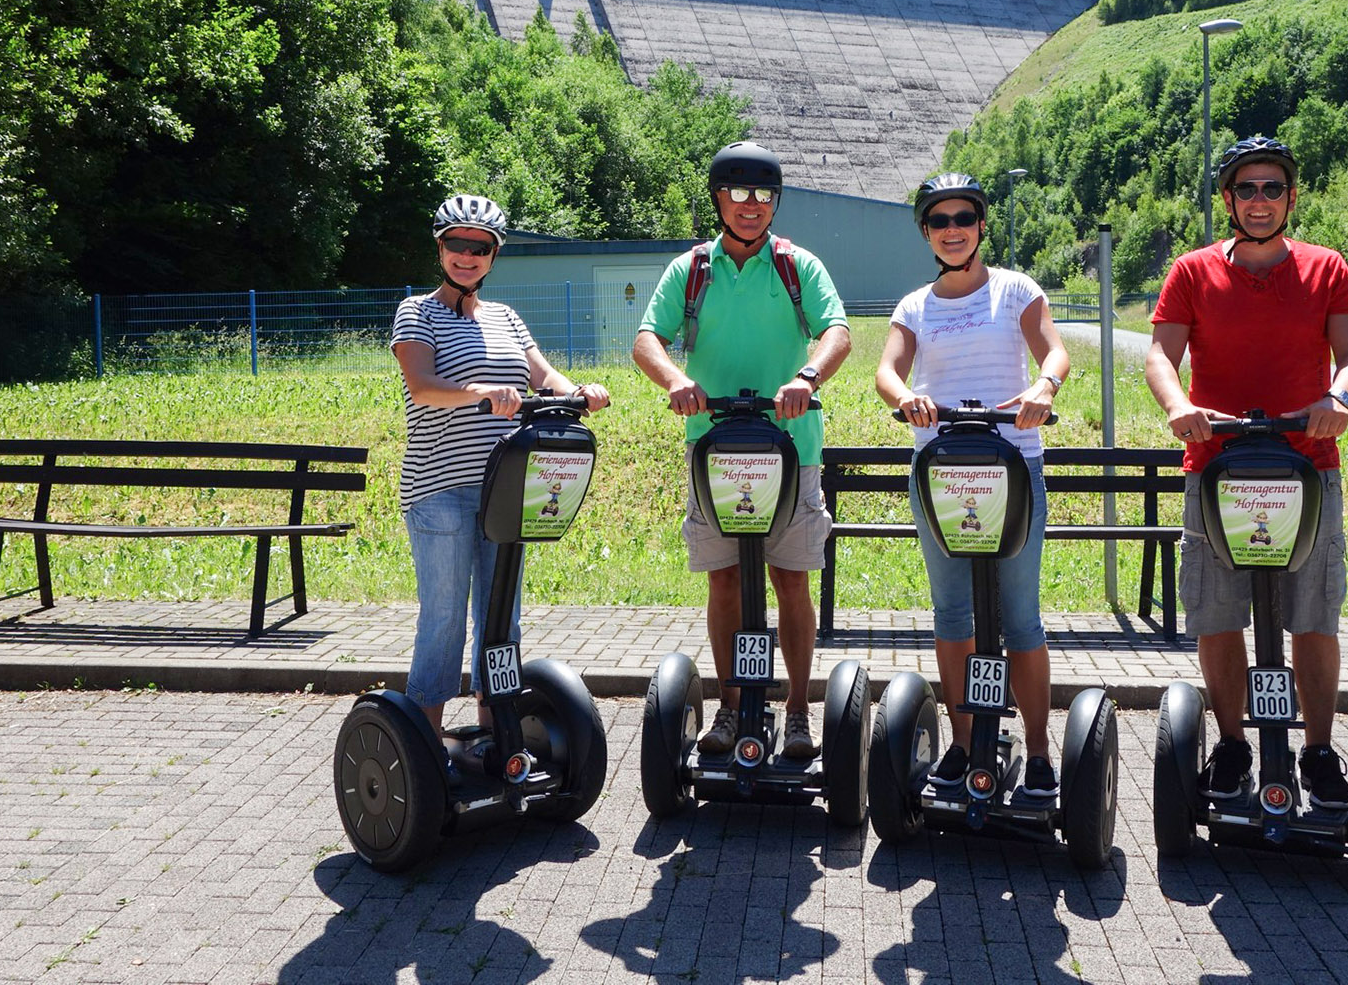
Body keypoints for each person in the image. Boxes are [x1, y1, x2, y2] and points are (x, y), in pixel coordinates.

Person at [1144, 136, 1348, 810]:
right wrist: (1180, 405)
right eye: (1248, 189)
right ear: (1228, 201)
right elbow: (1161, 355)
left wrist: (1339, 399)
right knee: (1217, 614)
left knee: (1313, 618)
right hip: (1218, 466)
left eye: (1273, 189)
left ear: (1291, 197)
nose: (1261, 201)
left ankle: (1320, 751)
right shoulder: (1192, 273)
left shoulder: (1326, 268)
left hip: (1306, 464)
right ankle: (1234, 744)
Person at [633, 141, 851, 760]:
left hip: (791, 448)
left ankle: (801, 711)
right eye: (738, 193)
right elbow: (648, 338)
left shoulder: (798, 266)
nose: (751, 206)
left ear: (774, 202)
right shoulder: (691, 270)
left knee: (791, 580)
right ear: (718, 199)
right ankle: (730, 708)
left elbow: (837, 331)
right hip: (715, 450)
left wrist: (806, 380)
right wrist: (675, 380)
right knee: (724, 582)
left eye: (763, 195)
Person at [875, 172, 1070, 799]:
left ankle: (1038, 750)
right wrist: (907, 399)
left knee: (1020, 618)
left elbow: (1054, 353)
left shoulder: (1016, 290)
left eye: (964, 218)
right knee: (953, 613)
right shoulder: (914, 306)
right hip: (943, 473)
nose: (953, 230)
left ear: (981, 226)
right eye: (940, 221)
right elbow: (887, 370)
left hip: (1012, 467)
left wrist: (1044, 389)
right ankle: (963, 744)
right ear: (927, 233)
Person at [393, 193, 611, 747]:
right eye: (458, 245)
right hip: (439, 489)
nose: (468, 256)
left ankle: (498, 738)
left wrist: (580, 393)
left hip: (506, 489)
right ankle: (426, 749)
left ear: (493, 255)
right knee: (442, 622)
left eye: (480, 247)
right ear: (440, 249)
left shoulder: (506, 318)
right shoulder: (417, 312)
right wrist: (479, 393)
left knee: (501, 621)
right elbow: (421, 388)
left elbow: (545, 377)